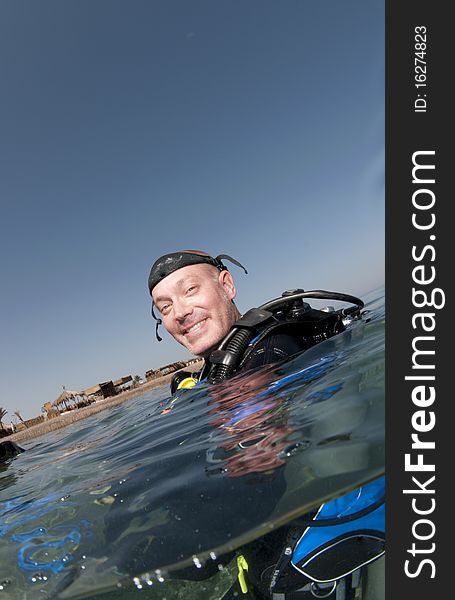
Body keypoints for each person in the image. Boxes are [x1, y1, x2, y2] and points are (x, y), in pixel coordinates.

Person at [148, 250, 310, 389]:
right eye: (165, 307)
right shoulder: (214, 369)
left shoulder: (271, 352)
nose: (179, 313)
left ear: (227, 285)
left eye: (190, 289)